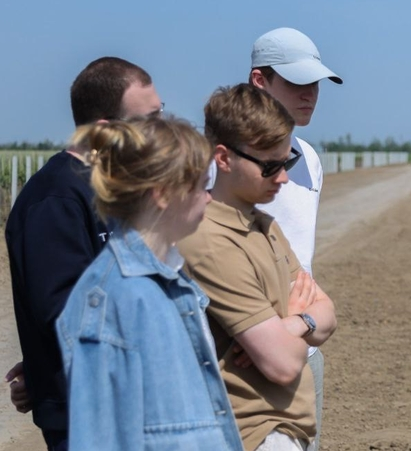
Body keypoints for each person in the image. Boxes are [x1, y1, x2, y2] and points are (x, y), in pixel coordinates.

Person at [56, 116, 244, 450]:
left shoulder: (171, 280)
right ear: (163, 194)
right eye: (202, 186)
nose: (209, 198)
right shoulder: (113, 299)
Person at [4, 56, 162, 450]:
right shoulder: (55, 199)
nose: (160, 132)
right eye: (148, 121)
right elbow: (69, 316)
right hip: (86, 417)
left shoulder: (111, 188)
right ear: (106, 131)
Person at [179, 83, 337, 451]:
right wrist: (300, 324)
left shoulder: (265, 227)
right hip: (252, 435)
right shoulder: (210, 240)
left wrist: (295, 322)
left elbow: (328, 314)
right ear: (223, 158)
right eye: (270, 166)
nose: (282, 178)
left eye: (287, 163)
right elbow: (282, 363)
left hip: (285, 429)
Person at [249, 27, 342, 450]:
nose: (310, 94)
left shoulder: (310, 159)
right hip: (244, 355)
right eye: (296, 82)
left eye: (315, 84)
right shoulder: (218, 162)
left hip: (304, 352)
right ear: (259, 80)